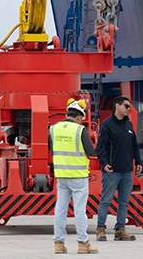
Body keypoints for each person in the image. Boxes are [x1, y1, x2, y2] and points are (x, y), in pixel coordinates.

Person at [50, 99, 98, 255]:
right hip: (78, 176)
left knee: (60, 209)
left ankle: (59, 243)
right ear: (79, 117)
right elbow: (91, 152)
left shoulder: (54, 129)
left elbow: (52, 151)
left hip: (61, 175)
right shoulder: (80, 130)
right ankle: (83, 243)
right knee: (79, 211)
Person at [94, 95, 142, 242]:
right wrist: (104, 163)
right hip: (112, 170)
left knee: (124, 202)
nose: (129, 109)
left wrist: (138, 161)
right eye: (126, 106)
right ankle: (101, 229)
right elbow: (101, 147)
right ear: (117, 106)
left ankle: (120, 230)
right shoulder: (107, 125)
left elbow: (134, 145)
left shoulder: (128, 125)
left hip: (127, 170)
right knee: (106, 200)